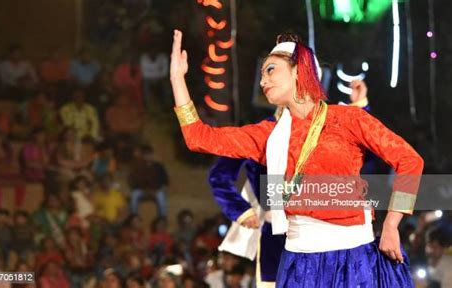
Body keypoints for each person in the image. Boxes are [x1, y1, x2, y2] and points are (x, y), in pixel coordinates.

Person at [170, 30, 424, 287]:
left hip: (354, 258)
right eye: (262, 74)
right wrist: (177, 80)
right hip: (300, 264)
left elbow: (410, 161)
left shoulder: (348, 119)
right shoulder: (269, 134)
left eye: (270, 70)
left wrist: (392, 223)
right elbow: (198, 138)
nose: (262, 81)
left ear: (298, 71)